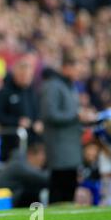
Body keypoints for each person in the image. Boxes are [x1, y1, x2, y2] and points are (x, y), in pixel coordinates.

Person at [40, 54, 97, 204]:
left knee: (70, 186)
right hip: (59, 146)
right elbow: (50, 114)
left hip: (70, 146)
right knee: (59, 186)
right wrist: (77, 115)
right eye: (76, 69)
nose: (79, 73)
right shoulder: (53, 85)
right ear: (66, 68)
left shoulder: (68, 85)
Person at [0, 57, 42, 161]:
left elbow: (38, 111)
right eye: (23, 75)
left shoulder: (33, 92)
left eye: (28, 76)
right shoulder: (5, 92)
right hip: (11, 143)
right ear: (16, 74)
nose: (26, 78)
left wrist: (39, 122)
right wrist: (17, 122)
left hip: (32, 142)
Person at [0, 143, 49, 207]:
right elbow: (43, 178)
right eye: (42, 158)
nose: (43, 162)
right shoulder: (19, 165)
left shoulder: (18, 163)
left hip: (6, 200)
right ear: (31, 155)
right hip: (2, 203)